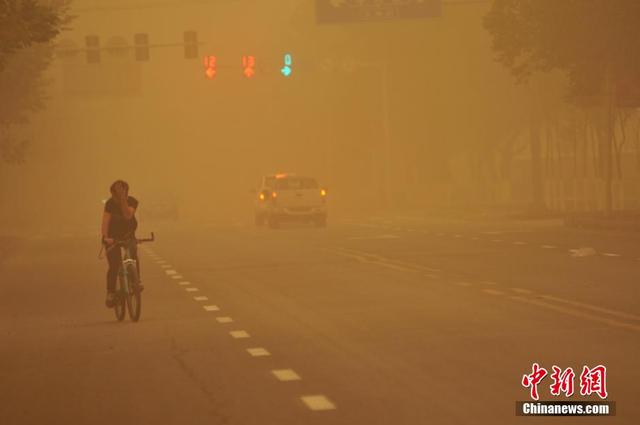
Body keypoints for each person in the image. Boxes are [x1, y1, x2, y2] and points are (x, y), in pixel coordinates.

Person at [101, 180, 140, 307]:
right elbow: (105, 221)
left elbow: (128, 216)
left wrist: (123, 200)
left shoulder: (132, 201)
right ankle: (111, 292)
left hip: (128, 235)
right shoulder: (110, 204)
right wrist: (106, 237)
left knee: (132, 253)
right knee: (114, 265)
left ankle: (136, 281)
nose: (115, 198)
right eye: (114, 195)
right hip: (112, 237)